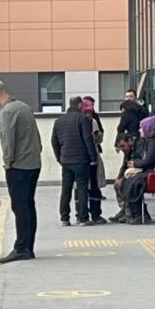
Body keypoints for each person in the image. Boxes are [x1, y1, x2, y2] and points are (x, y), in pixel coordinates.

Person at [0, 80, 42, 264]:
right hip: (33, 163)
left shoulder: (7, 112)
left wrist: (7, 162)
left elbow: (7, 140)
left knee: (20, 207)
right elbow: (37, 138)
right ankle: (28, 246)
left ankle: (21, 248)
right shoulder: (25, 108)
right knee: (29, 205)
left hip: (19, 166)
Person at [51, 97, 97, 227]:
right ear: (79, 105)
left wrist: (59, 157)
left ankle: (64, 218)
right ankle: (83, 218)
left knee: (66, 188)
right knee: (82, 188)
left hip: (66, 159)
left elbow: (54, 141)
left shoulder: (59, 121)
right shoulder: (83, 119)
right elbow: (87, 139)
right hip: (81, 159)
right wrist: (92, 157)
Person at [120, 115, 155, 224]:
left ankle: (139, 215)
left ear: (148, 128)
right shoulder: (151, 140)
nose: (139, 130)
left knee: (135, 181)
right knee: (129, 179)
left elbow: (149, 160)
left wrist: (134, 164)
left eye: (141, 127)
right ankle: (137, 213)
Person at [82, 96, 108, 224]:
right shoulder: (92, 121)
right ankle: (96, 214)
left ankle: (81, 214)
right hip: (91, 157)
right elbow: (98, 138)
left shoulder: (68, 121)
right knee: (94, 186)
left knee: (80, 188)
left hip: (76, 159)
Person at [109, 133, 136, 223]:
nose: (122, 149)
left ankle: (128, 211)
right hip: (130, 173)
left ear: (129, 141)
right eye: (120, 147)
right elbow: (124, 166)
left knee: (124, 184)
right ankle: (123, 209)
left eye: (123, 146)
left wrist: (123, 179)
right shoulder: (127, 152)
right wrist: (119, 178)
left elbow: (135, 166)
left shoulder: (136, 149)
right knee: (117, 184)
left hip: (137, 173)